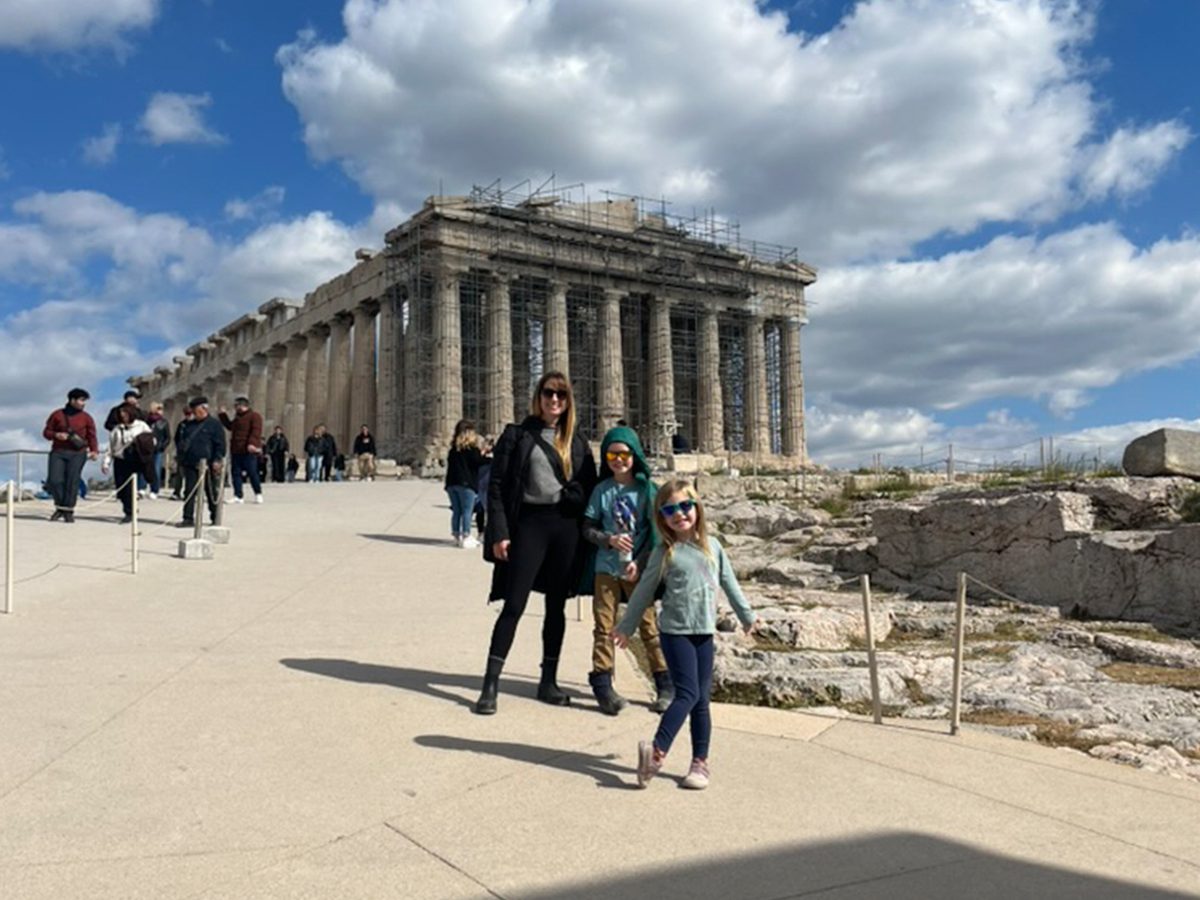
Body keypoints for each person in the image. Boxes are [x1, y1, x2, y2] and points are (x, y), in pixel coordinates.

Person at [613, 480, 756, 791]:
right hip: (675, 633)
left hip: (704, 632)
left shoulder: (714, 546)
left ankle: (699, 763)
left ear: (697, 508)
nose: (679, 514)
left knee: (702, 701)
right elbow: (644, 592)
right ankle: (657, 752)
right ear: (662, 518)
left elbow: (730, 583)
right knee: (688, 694)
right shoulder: (664, 552)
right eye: (669, 510)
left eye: (684, 506)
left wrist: (746, 616)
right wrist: (626, 626)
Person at [474, 371, 597, 715]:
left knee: (556, 606)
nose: (554, 400)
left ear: (568, 401)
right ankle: (490, 684)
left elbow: (591, 485)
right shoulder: (517, 435)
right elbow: (495, 486)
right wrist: (498, 531)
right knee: (514, 604)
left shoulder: (577, 441)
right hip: (529, 525)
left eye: (560, 395)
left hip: (565, 528)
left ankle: (548, 681)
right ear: (538, 397)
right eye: (548, 393)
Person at [582, 425, 672, 716]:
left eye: (624, 453)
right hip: (606, 568)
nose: (618, 459)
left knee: (648, 626)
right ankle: (603, 684)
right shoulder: (601, 491)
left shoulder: (647, 491)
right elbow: (587, 528)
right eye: (611, 453)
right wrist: (607, 539)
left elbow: (658, 534)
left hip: (638, 570)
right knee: (603, 626)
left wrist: (642, 563)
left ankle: (664, 683)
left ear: (635, 456)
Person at [43, 387, 99, 523]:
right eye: (81, 400)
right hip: (58, 452)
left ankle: (68, 510)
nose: (83, 403)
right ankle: (60, 506)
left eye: (84, 401)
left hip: (78, 453)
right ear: (72, 400)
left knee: (72, 481)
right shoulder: (57, 414)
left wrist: (94, 450)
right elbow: (46, 432)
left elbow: (92, 435)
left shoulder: (87, 418)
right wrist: (56, 435)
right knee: (54, 481)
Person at [174, 397, 227, 527]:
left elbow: (220, 444)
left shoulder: (214, 425)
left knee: (211, 493)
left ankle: (215, 517)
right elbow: (180, 442)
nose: (193, 412)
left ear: (203, 408)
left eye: (196, 409)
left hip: (208, 464)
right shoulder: (188, 425)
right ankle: (188, 518)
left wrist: (217, 460)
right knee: (189, 491)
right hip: (190, 463)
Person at [101, 406, 153, 524]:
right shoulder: (117, 429)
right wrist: (106, 462)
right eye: (121, 414)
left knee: (131, 487)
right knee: (122, 488)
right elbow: (111, 447)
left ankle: (130, 512)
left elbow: (151, 441)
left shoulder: (142, 426)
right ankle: (129, 508)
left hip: (135, 460)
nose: (123, 416)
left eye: (125, 413)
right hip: (120, 460)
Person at [445, 419, 484, 548]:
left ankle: (456, 536)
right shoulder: (472, 450)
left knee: (457, 511)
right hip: (466, 484)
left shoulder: (453, 451)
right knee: (467, 511)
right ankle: (466, 536)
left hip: (452, 484)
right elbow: (478, 463)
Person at [218, 396, 264, 504]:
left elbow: (256, 431)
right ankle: (238, 495)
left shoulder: (254, 416)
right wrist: (222, 415)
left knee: (252, 472)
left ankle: (258, 493)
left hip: (248, 450)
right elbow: (230, 427)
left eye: (236, 405)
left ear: (243, 405)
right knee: (236, 473)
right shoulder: (238, 418)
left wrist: (252, 444)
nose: (235, 408)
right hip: (236, 449)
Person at [146, 401, 170, 500]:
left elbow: (168, 437)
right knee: (145, 468)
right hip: (147, 448)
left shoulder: (164, 422)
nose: (161, 411)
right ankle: (141, 488)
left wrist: (162, 447)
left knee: (156, 469)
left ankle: (154, 490)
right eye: (159, 408)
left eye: (162, 409)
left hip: (158, 449)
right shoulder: (147, 421)